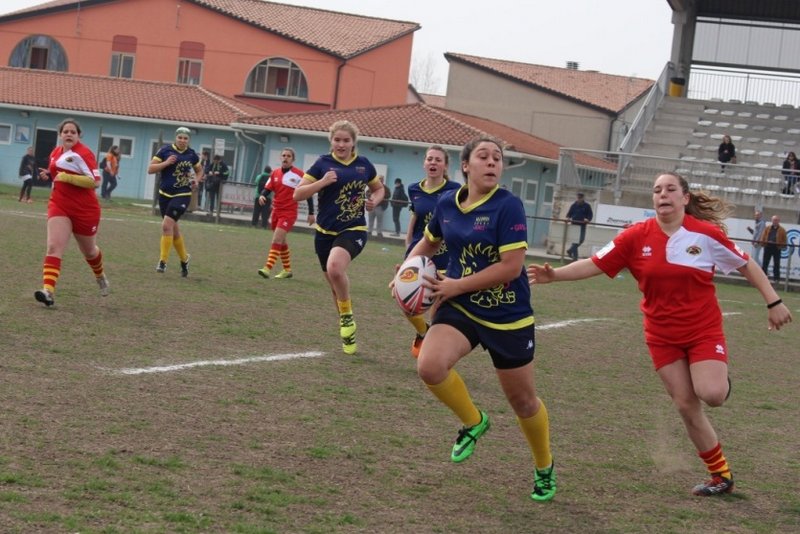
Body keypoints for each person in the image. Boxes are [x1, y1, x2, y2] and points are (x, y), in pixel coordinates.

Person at [528, 172, 793, 497]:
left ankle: (719, 381)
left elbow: (747, 264)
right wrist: (554, 275)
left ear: (684, 198)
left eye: (670, 189)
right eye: (656, 190)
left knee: (711, 394)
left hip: (702, 330)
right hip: (661, 336)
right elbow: (594, 263)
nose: (662, 194)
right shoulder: (635, 236)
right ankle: (721, 475)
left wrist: (774, 302)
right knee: (685, 404)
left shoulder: (705, 234)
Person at [404, 136, 556, 502]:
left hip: (508, 314)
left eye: (497, 158)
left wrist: (455, 285)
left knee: (523, 402)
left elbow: (511, 267)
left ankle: (544, 466)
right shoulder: (447, 203)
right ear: (466, 166)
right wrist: (407, 270)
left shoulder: (508, 206)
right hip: (461, 306)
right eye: (483, 157)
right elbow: (429, 241)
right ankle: (474, 421)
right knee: (430, 366)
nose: (492, 163)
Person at [293, 120, 382, 355]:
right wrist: (322, 182)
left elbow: (379, 189)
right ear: (331, 141)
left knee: (335, 268)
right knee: (334, 286)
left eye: (346, 140)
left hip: (353, 229)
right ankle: (347, 328)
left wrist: (374, 200)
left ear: (353, 143)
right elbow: (297, 194)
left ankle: (347, 318)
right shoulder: (322, 164)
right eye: (337, 140)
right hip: (324, 233)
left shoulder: (363, 165)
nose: (341, 144)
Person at [34, 118, 109, 307]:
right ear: (60, 135)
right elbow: (57, 172)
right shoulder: (55, 152)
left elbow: (95, 182)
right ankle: (48, 291)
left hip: (85, 209)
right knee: (53, 247)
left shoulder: (84, 153)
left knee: (89, 251)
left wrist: (67, 177)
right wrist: (49, 174)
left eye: (73, 132)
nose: (69, 134)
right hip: (59, 204)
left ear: (78, 135)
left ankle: (100, 275)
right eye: (65, 131)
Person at [403, 146, 460, 358]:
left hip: (445, 258)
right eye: (429, 159)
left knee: (438, 311)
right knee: (406, 302)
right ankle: (422, 331)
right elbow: (415, 219)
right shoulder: (414, 189)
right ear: (424, 163)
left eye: (438, 160)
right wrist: (408, 245)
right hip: (418, 255)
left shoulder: (455, 190)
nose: (433, 163)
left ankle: (432, 354)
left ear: (445, 165)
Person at [148, 126, 204, 277]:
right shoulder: (165, 151)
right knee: (174, 230)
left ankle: (162, 261)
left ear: (189, 140)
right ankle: (184, 259)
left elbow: (199, 170)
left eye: (185, 138)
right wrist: (166, 163)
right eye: (180, 137)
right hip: (164, 194)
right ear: (175, 138)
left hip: (183, 193)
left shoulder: (191, 154)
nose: (182, 140)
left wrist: (197, 181)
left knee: (166, 226)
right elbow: (150, 169)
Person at [257, 148, 315, 279]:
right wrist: (262, 195)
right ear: (280, 158)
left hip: (289, 213)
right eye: (283, 155)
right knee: (281, 241)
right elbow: (267, 188)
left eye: (288, 156)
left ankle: (267, 268)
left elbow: (308, 193)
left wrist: (311, 212)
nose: (285, 158)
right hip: (276, 211)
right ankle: (287, 270)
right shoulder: (275, 173)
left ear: (293, 159)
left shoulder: (299, 175)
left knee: (276, 239)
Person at [759, 215, 788, 283]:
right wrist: (762, 243)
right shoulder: (768, 228)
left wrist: (781, 245)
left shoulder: (782, 230)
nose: (775, 221)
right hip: (768, 246)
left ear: (778, 221)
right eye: (774, 220)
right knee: (765, 262)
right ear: (772, 220)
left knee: (776, 263)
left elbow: (784, 239)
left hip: (776, 247)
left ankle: (776, 278)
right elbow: (763, 236)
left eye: (776, 220)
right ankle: (763, 277)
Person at [565, 192, 593, 261]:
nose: (579, 199)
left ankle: (570, 250)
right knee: (575, 241)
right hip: (574, 225)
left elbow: (590, 215)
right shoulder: (574, 205)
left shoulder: (587, 206)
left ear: (583, 198)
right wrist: (568, 218)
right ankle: (575, 258)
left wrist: (588, 219)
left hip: (582, 225)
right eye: (578, 198)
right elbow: (569, 214)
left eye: (580, 198)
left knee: (581, 240)